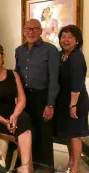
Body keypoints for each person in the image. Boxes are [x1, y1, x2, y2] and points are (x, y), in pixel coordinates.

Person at [0, 43, 33, 168]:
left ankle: (24, 168)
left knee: (24, 120)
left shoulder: (13, 74)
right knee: (24, 134)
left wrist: (15, 115)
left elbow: (21, 99)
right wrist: (4, 121)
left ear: (3, 56)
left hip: (11, 114)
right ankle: (26, 167)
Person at [15, 19, 60, 168]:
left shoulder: (50, 50)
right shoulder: (19, 51)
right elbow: (18, 77)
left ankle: (46, 169)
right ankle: (30, 167)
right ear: (23, 31)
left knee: (45, 135)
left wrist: (50, 104)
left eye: (35, 29)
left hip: (43, 98)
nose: (31, 32)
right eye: (28, 29)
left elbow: (54, 80)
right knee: (28, 133)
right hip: (25, 99)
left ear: (41, 31)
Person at [54, 25, 89, 173]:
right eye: (63, 36)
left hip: (76, 100)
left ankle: (75, 168)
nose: (66, 40)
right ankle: (70, 161)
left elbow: (77, 83)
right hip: (64, 100)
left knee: (74, 134)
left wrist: (72, 105)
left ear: (77, 41)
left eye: (70, 37)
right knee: (68, 133)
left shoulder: (77, 56)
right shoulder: (61, 54)